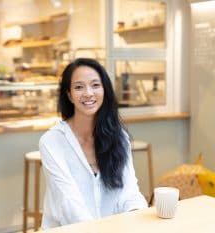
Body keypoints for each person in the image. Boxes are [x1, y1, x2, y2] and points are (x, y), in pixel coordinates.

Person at [39, 58, 147, 229]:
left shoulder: (119, 137)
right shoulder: (52, 142)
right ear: (69, 94)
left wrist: (136, 216)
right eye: (79, 87)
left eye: (95, 85)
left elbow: (129, 192)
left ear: (104, 90)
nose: (88, 93)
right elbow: (69, 203)